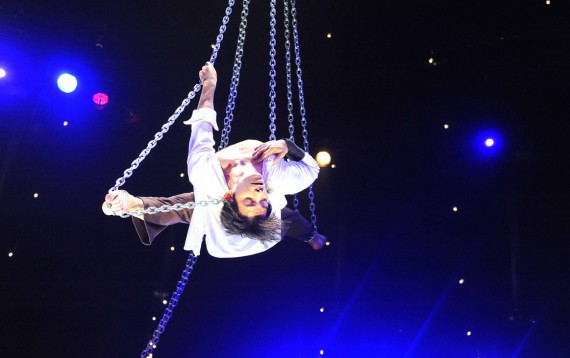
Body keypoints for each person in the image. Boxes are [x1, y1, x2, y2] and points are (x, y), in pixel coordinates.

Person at [104, 62, 321, 258]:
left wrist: (210, 83)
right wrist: (288, 145)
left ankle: (311, 236)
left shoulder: (205, 173)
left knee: (188, 208)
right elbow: (312, 170)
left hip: (213, 203)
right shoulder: (275, 175)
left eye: (249, 201)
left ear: (229, 196)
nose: (259, 193)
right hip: (257, 216)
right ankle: (311, 235)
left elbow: (202, 124)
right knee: (286, 217)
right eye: (263, 201)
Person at [103, 191, 328, 250]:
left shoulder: (213, 202)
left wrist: (131, 203)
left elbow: (173, 208)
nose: (256, 197)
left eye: (250, 201)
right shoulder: (263, 195)